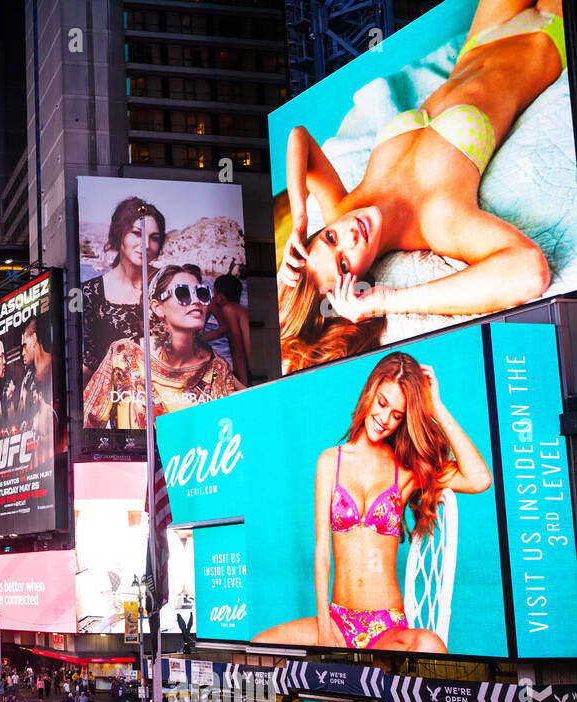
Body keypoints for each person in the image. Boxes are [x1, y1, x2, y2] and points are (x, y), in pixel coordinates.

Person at [276, 0, 566, 371]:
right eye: (345, 264)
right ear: (358, 284)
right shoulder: (437, 219)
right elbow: (531, 272)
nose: (350, 237)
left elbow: (299, 137)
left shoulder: (345, 210)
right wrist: (384, 302)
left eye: (330, 239)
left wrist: (300, 216)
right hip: (544, 40)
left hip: (483, 36)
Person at [254, 353, 491, 651]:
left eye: (397, 415)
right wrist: (326, 631)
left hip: (386, 629)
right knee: (259, 646)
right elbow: (322, 553)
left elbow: (480, 479)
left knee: (430, 644)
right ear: (370, 391)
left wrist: (437, 408)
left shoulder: (407, 469)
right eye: (382, 403)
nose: (385, 419)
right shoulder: (330, 462)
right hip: (337, 623)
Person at [84, 264, 244, 429]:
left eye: (201, 293)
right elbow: (87, 423)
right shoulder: (124, 355)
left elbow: (224, 434)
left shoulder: (217, 368)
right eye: (182, 293)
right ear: (157, 307)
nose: (196, 300)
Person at [79, 197, 166, 385]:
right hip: (114, 399)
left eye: (154, 238)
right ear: (120, 234)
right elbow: (92, 356)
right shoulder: (90, 292)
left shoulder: (168, 283)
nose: (146, 244)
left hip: (168, 397)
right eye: (137, 233)